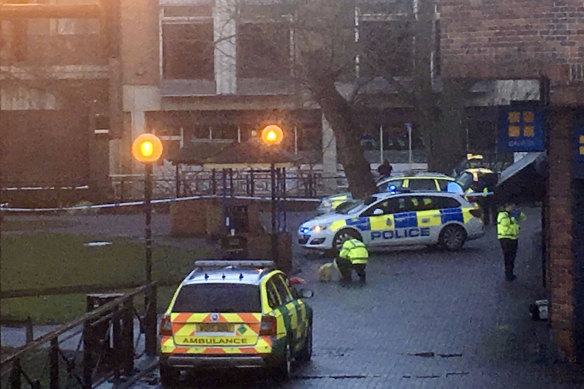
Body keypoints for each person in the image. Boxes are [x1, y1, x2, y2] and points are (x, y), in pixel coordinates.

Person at [496, 201, 526, 281]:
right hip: (505, 238)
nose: (514, 207)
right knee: (508, 257)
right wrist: (514, 219)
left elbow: (523, 218)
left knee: (512, 257)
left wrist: (519, 213)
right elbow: (507, 227)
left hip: (513, 238)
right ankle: (508, 275)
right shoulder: (503, 215)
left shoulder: (511, 214)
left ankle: (510, 273)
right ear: (508, 206)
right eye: (513, 206)